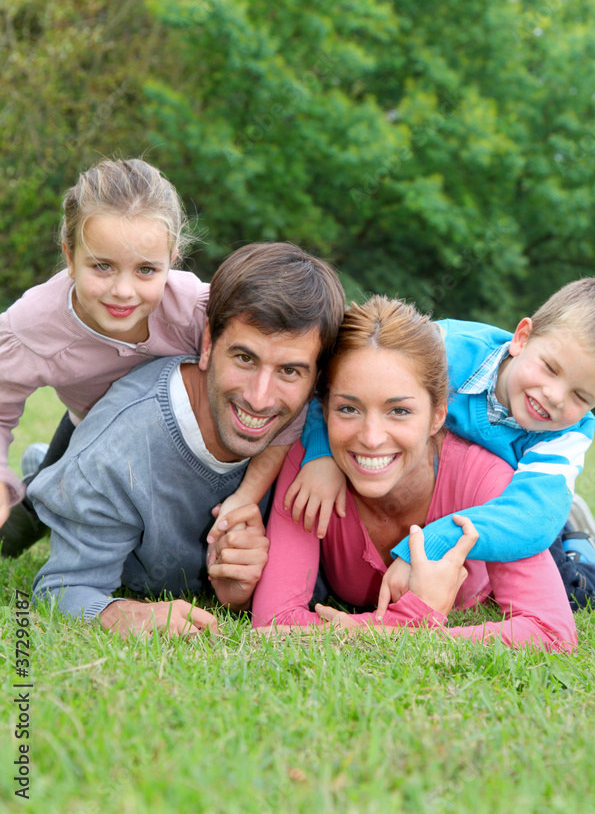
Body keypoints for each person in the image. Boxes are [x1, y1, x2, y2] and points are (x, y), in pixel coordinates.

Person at [0, 158, 340, 555]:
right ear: (69, 255)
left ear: (173, 258)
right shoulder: (32, 326)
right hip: (86, 426)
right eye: (102, 266)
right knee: (31, 514)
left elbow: (302, 376)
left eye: (146, 270)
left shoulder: (199, 312)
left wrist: (314, 457)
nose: (123, 291)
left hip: (166, 440)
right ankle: (37, 479)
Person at [29, 241, 346, 637]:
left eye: (290, 371)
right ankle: (43, 473)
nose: (259, 398)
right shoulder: (116, 455)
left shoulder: (330, 436)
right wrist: (124, 614)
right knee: (67, 485)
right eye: (244, 358)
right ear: (209, 343)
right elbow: (61, 589)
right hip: (93, 467)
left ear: (317, 377)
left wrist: (249, 591)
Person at [289, 279, 595, 612]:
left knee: (569, 587)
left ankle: (580, 544)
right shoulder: (445, 348)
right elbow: (345, 374)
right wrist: (320, 454)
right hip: (442, 478)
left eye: (581, 395)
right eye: (550, 368)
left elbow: (533, 521)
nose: (553, 396)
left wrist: (434, 542)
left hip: (517, 501)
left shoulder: (568, 432)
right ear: (522, 337)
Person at [252, 296, 577, 652]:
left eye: (400, 411)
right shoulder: (311, 470)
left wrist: (395, 627)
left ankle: (577, 532)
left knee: (580, 582)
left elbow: (552, 632)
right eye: (348, 408)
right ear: (324, 409)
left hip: (527, 514)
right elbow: (273, 622)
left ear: (438, 415)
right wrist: (405, 623)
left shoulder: (486, 479)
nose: (371, 438)